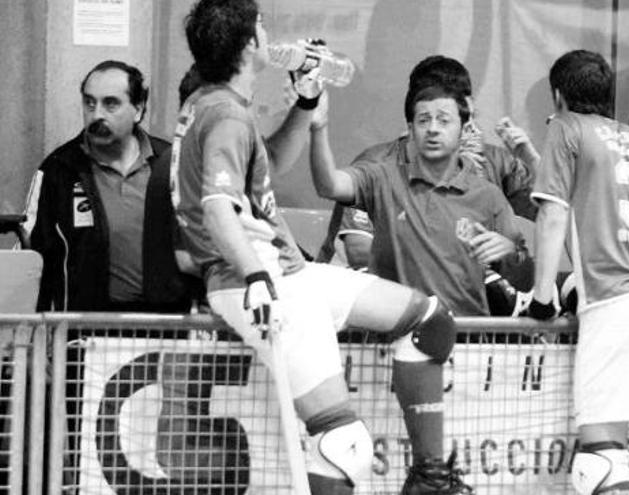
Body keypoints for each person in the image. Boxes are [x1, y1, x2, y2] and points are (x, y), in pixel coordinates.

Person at [173, 1, 468, 494]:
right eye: (262, 28)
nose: (269, 36)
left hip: (285, 272)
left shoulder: (213, 104)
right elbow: (218, 208)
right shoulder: (224, 113)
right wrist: (256, 277)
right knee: (342, 441)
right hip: (262, 278)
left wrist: (306, 107)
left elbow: (270, 163)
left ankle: (430, 478)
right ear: (251, 45)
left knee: (428, 320)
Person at [527, 50, 629, 495]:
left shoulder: (564, 127)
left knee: (601, 460)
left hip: (615, 299)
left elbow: (552, 214)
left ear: (559, 95)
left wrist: (542, 297)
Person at [317, 55, 537, 314]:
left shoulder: (496, 165)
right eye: (426, 116)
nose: (434, 127)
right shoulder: (379, 166)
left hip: (464, 320)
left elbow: (550, 213)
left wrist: (531, 159)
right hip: (381, 307)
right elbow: (358, 252)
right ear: (413, 117)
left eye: (446, 116)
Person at [26, 59, 193, 312]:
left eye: (111, 104)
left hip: (163, 326)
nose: (97, 115)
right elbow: (31, 254)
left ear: (138, 109)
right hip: (85, 329)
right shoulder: (59, 169)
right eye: (89, 103)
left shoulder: (170, 162)